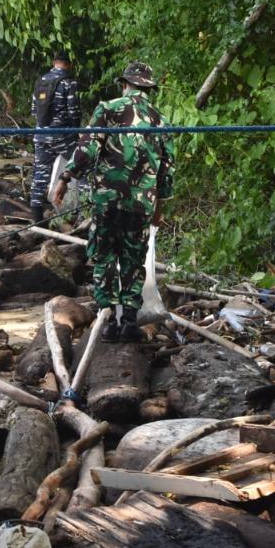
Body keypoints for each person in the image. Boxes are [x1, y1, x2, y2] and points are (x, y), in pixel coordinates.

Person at [53, 62, 174, 343]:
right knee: (133, 258)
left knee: (105, 256)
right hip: (141, 203)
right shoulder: (160, 119)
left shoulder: (107, 108)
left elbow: (88, 146)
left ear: (124, 84)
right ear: (147, 88)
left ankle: (107, 319)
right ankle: (129, 322)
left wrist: (65, 177)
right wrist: (160, 206)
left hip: (107, 200)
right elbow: (167, 167)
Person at [30, 51, 82, 223]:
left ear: (54, 62)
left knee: (39, 176)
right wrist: (76, 133)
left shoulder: (41, 81)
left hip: (41, 135)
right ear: (69, 65)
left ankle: (36, 220)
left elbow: (33, 110)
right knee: (82, 168)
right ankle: (83, 216)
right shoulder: (68, 82)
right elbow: (73, 111)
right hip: (63, 136)